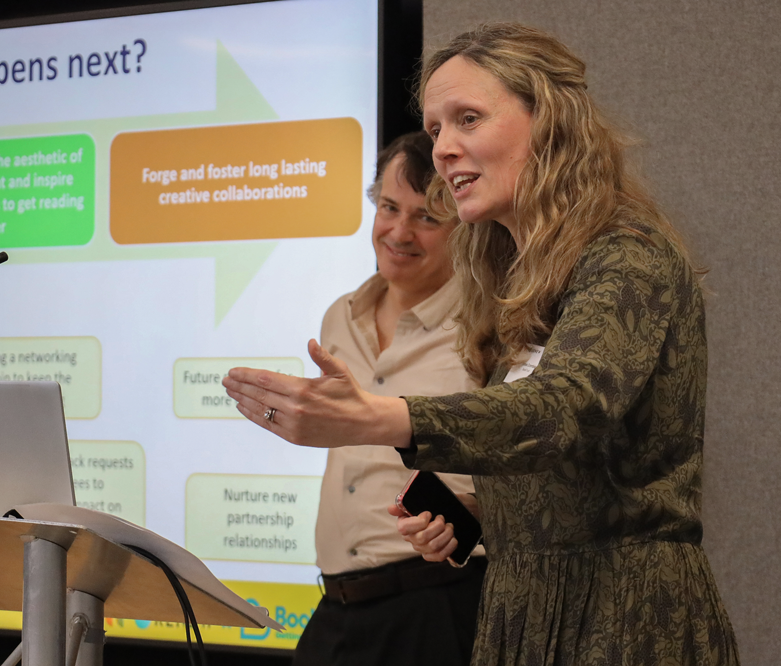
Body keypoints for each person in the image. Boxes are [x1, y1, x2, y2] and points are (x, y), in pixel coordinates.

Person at [225, 22, 740, 666]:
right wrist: (476, 513)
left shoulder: (626, 255)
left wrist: (380, 416)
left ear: (548, 121)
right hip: (524, 609)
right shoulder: (523, 281)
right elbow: (575, 475)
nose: (443, 149)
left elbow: (566, 407)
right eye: (437, 128)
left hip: (621, 619)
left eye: (467, 118)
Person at [291, 132, 486, 666]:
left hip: (434, 604)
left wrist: (468, 515)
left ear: (463, 229)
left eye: (426, 218)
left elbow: (529, 467)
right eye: (389, 208)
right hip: (337, 605)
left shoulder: (488, 324)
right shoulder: (341, 315)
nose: (398, 232)